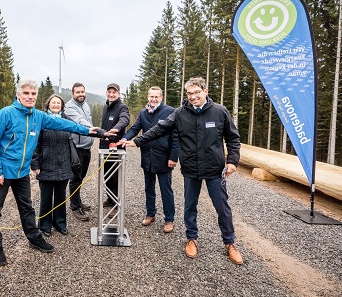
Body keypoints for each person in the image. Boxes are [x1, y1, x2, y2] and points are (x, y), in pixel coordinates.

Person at [121, 77, 243, 265]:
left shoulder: (220, 112)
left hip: (214, 169)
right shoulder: (180, 114)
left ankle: (230, 243)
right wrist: (137, 141)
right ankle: (191, 238)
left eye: (197, 92)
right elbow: (158, 129)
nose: (193, 97)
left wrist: (233, 161)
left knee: (222, 208)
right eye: (190, 94)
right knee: (190, 206)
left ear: (205, 91)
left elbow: (233, 138)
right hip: (191, 169)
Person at [0, 78, 104, 266]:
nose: (30, 97)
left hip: (22, 173)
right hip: (3, 173)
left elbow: (66, 125)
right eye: (26, 93)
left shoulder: (38, 117)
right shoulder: (5, 114)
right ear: (18, 95)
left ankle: (34, 237)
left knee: (27, 208)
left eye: (33, 94)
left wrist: (90, 131)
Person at [122, 86, 179, 233]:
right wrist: (124, 138)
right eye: (151, 97)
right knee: (149, 188)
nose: (154, 99)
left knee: (166, 189)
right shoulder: (143, 113)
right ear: (148, 97)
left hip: (164, 157)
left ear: (161, 97)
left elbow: (175, 136)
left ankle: (169, 219)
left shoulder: (170, 111)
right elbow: (135, 129)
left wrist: (173, 156)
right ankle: (150, 214)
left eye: (157, 97)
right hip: (147, 156)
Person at [31, 94, 73, 237]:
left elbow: (79, 131)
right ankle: (44, 225)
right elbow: (35, 145)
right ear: (48, 105)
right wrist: (35, 164)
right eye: (53, 103)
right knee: (46, 198)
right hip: (46, 165)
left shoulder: (67, 120)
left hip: (63, 165)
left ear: (62, 106)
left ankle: (60, 224)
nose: (56, 105)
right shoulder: (41, 120)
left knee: (61, 197)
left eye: (58, 103)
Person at [64, 83, 94, 221]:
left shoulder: (86, 105)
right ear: (73, 94)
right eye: (78, 92)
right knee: (75, 178)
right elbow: (80, 121)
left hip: (86, 148)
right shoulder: (69, 107)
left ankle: (78, 201)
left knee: (81, 177)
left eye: (83, 91)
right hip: (76, 148)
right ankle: (75, 207)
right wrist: (94, 129)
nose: (81, 94)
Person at [100, 83, 130, 217]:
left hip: (116, 148)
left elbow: (125, 119)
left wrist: (117, 128)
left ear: (118, 94)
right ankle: (110, 198)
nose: (111, 94)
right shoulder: (106, 106)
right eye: (109, 92)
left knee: (116, 177)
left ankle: (117, 205)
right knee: (106, 176)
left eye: (114, 92)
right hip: (104, 147)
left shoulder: (122, 107)